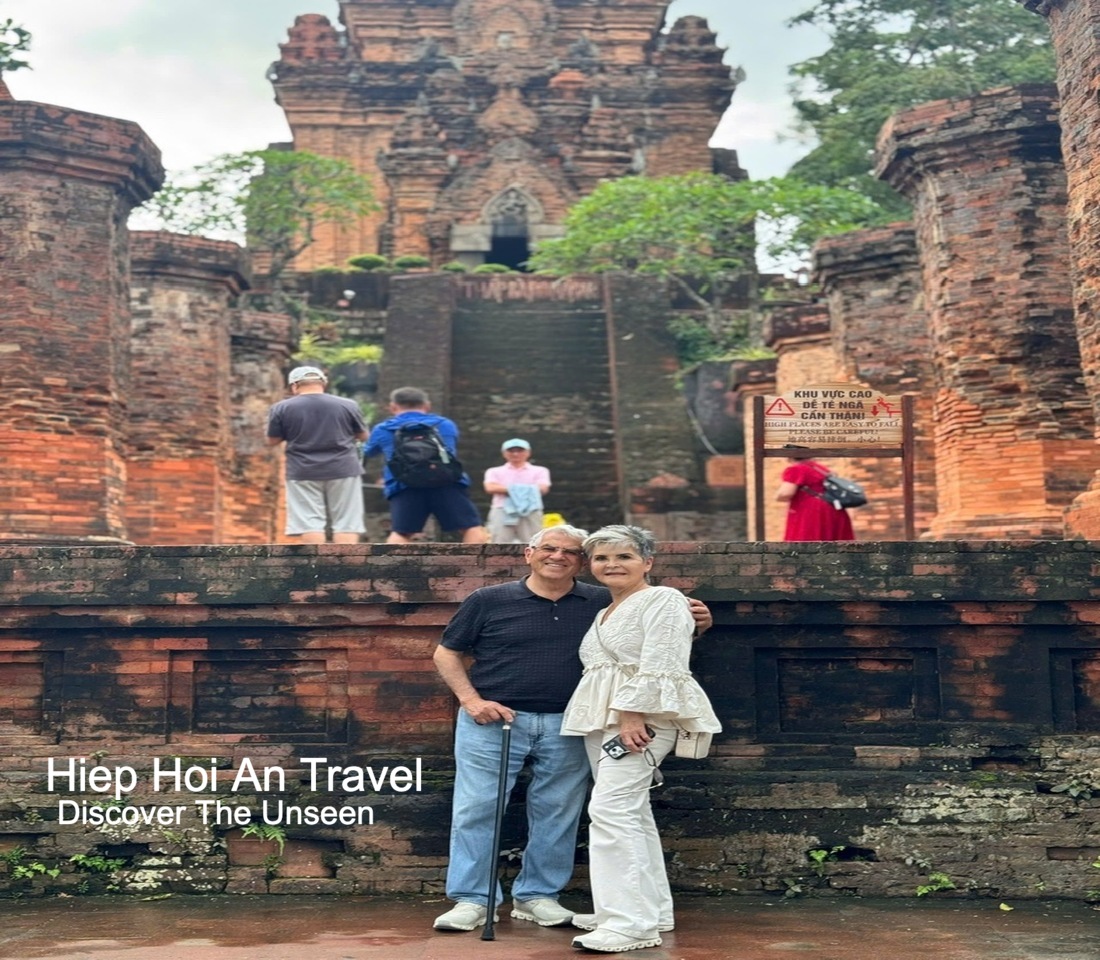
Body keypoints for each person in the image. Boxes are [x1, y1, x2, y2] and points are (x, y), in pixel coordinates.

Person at [430, 524, 712, 934]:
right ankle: (472, 900)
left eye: (571, 552)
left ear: (582, 562)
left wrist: (699, 622)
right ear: (529, 553)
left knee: (558, 812)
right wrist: (472, 701)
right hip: (494, 720)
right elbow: (446, 653)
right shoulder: (489, 599)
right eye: (549, 548)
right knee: (477, 809)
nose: (558, 556)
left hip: (571, 723)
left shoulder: (603, 599)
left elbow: (655, 633)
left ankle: (537, 895)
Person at [560, 525, 720, 954]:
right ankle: (648, 911)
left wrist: (632, 713)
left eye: (624, 556)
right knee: (631, 812)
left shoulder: (663, 598)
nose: (612, 564)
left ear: (647, 562)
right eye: (601, 558)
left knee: (611, 811)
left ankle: (629, 925)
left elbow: (664, 659)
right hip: (603, 720)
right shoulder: (605, 610)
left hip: (639, 719)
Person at [363, 386, 489, 544]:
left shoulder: (383, 429)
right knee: (472, 528)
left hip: (404, 485)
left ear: (393, 407)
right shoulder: (445, 424)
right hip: (447, 482)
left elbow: (368, 452)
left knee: (401, 533)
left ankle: (394, 561)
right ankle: (475, 561)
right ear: (427, 405)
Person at [266, 365, 368, 544]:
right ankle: (346, 561)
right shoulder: (348, 405)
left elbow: (273, 440)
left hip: (302, 469)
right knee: (346, 521)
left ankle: (317, 562)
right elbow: (363, 436)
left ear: (294, 386)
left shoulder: (281, 408)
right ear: (323, 383)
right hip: (343, 468)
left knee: (309, 521)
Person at [775, 448, 856, 542]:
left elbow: (786, 493)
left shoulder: (796, 469)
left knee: (807, 543)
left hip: (811, 511)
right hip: (833, 508)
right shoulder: (822, 469)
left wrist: (777, 496)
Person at [483, 438, 551, 543]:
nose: (515, 454)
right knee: (499, 540)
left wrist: (509, 489)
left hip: (531, 509)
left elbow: (543, 488)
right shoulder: (494, 471)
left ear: (528, 452)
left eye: (520, 450)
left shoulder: (540, 471)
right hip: (502, 508)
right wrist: (526, 489)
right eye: (511, 451)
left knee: (533, 540)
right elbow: (490, 487)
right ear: (504, 453)